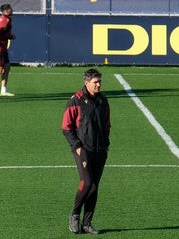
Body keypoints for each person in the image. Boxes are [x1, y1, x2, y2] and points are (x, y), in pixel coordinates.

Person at [62, 68, 111, 235]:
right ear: (86, 83)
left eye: (100, 81)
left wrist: (106, 144)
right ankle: (74, 215)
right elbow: (66, 127)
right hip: (82, 149)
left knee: (94, 187)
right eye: (95, 82)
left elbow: (106, 125)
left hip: (100, 150)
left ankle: (87, 223)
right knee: (87, 183)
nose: (99, 85)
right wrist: (76, 146)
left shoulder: (103, 100)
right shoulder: (75, 101)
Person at [0, 3, 16, 96]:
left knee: (7, 67)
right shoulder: (4, 20)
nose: (12, 10)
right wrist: (11, 36)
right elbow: (0, 33)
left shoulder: (6, 19)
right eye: (10, 9)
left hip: (3, 47)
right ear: (6, 11)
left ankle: (3, 90)